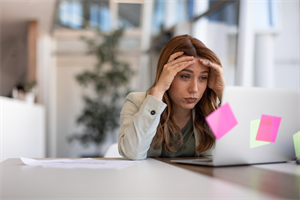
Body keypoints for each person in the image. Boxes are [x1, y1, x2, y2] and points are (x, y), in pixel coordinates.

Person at [118, 34, 226, 160]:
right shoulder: (136, 102)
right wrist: (159, 89)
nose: (194, 89)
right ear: (167, 75)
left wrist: (222, 92)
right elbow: (131, 153)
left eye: (203, 78)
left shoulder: (211, 112)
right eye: (185, 76)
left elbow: (238, 151)